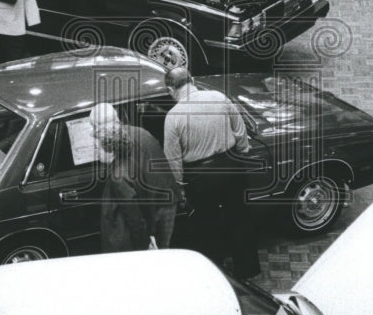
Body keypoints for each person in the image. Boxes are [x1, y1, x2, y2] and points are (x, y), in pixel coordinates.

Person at [163, 67, 259, 279]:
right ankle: (248, 269)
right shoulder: (219, 97)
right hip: (232, 166)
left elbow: (173, 158)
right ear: (192, 80)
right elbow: (240, 128)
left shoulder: (173, 117)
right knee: (240, 218)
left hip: (201, 177)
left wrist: (180, 187)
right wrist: (242, 149)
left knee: (207, 225)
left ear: (171, 89)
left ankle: (217, 274)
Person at [89, 103, 178, 251]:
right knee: (164, 251)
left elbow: (135, 216)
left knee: (155, 253)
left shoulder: (120, 171)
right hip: (167, 200)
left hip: (153, 209)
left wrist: (146, 240)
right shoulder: (141, 132)